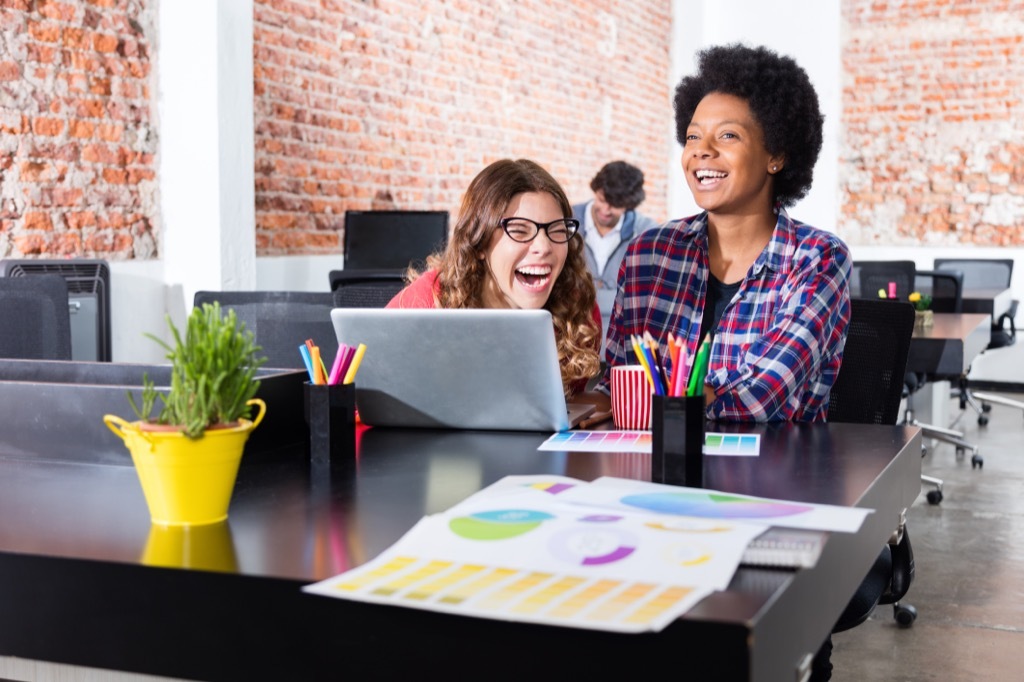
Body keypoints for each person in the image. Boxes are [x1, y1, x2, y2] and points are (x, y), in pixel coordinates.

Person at [598, 43, 851, 426]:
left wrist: (654, 402)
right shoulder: (648, 254)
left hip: (768, 462)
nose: (701, 151)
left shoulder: (816, 258)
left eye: (728, 135)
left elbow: (760, 398)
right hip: (650, 456)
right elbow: (616, 383)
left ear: (775, 156)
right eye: (692, 137)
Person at [388, 158, 602, 397]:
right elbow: (369, 394)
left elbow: (569, 407)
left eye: (557, 230)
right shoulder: (425, 302)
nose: (544, 247)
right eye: (519, 230)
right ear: (480, 242)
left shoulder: (578, 315)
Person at [572, 161, 659, 345]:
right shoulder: (567, 222)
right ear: (595, 190)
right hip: (572, 338)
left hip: (621, 343)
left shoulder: (647, 233)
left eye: (615, 205)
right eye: (602, 200)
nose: (605, 210)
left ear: (629, 205)